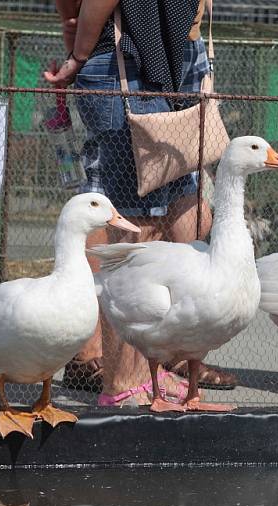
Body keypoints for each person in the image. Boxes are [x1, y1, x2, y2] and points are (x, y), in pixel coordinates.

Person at [46, 0, 238, 406]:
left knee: (185, 203)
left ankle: (158, 364)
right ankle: (122, 381)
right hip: (124, 59)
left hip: (177, 53)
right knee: (136, 220)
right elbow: (76, 12)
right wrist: (79, 52)